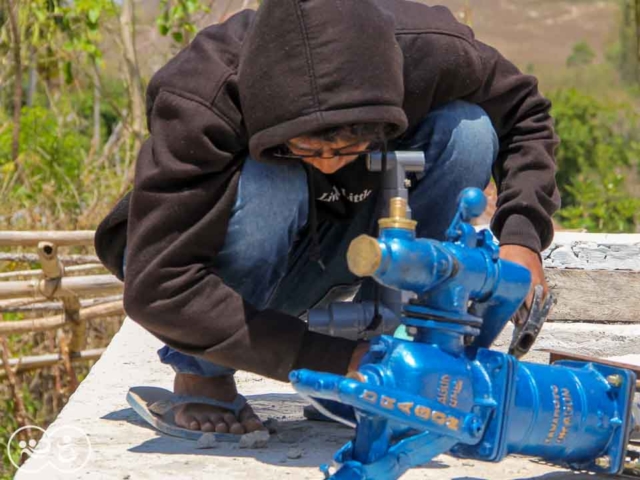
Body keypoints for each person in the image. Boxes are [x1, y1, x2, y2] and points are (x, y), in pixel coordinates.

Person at [95, 0, 559, 436]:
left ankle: (384, 347)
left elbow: (525, 113)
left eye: (349, 147)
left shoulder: (426, 51)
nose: (331, 161)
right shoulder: (202, 96)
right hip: (245, 270)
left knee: (470, 130)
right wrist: (330, 358)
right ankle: (204, 376)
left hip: (366, 240)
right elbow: (157, 286)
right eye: (307, 148)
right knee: (273, 183)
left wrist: (521, 236)